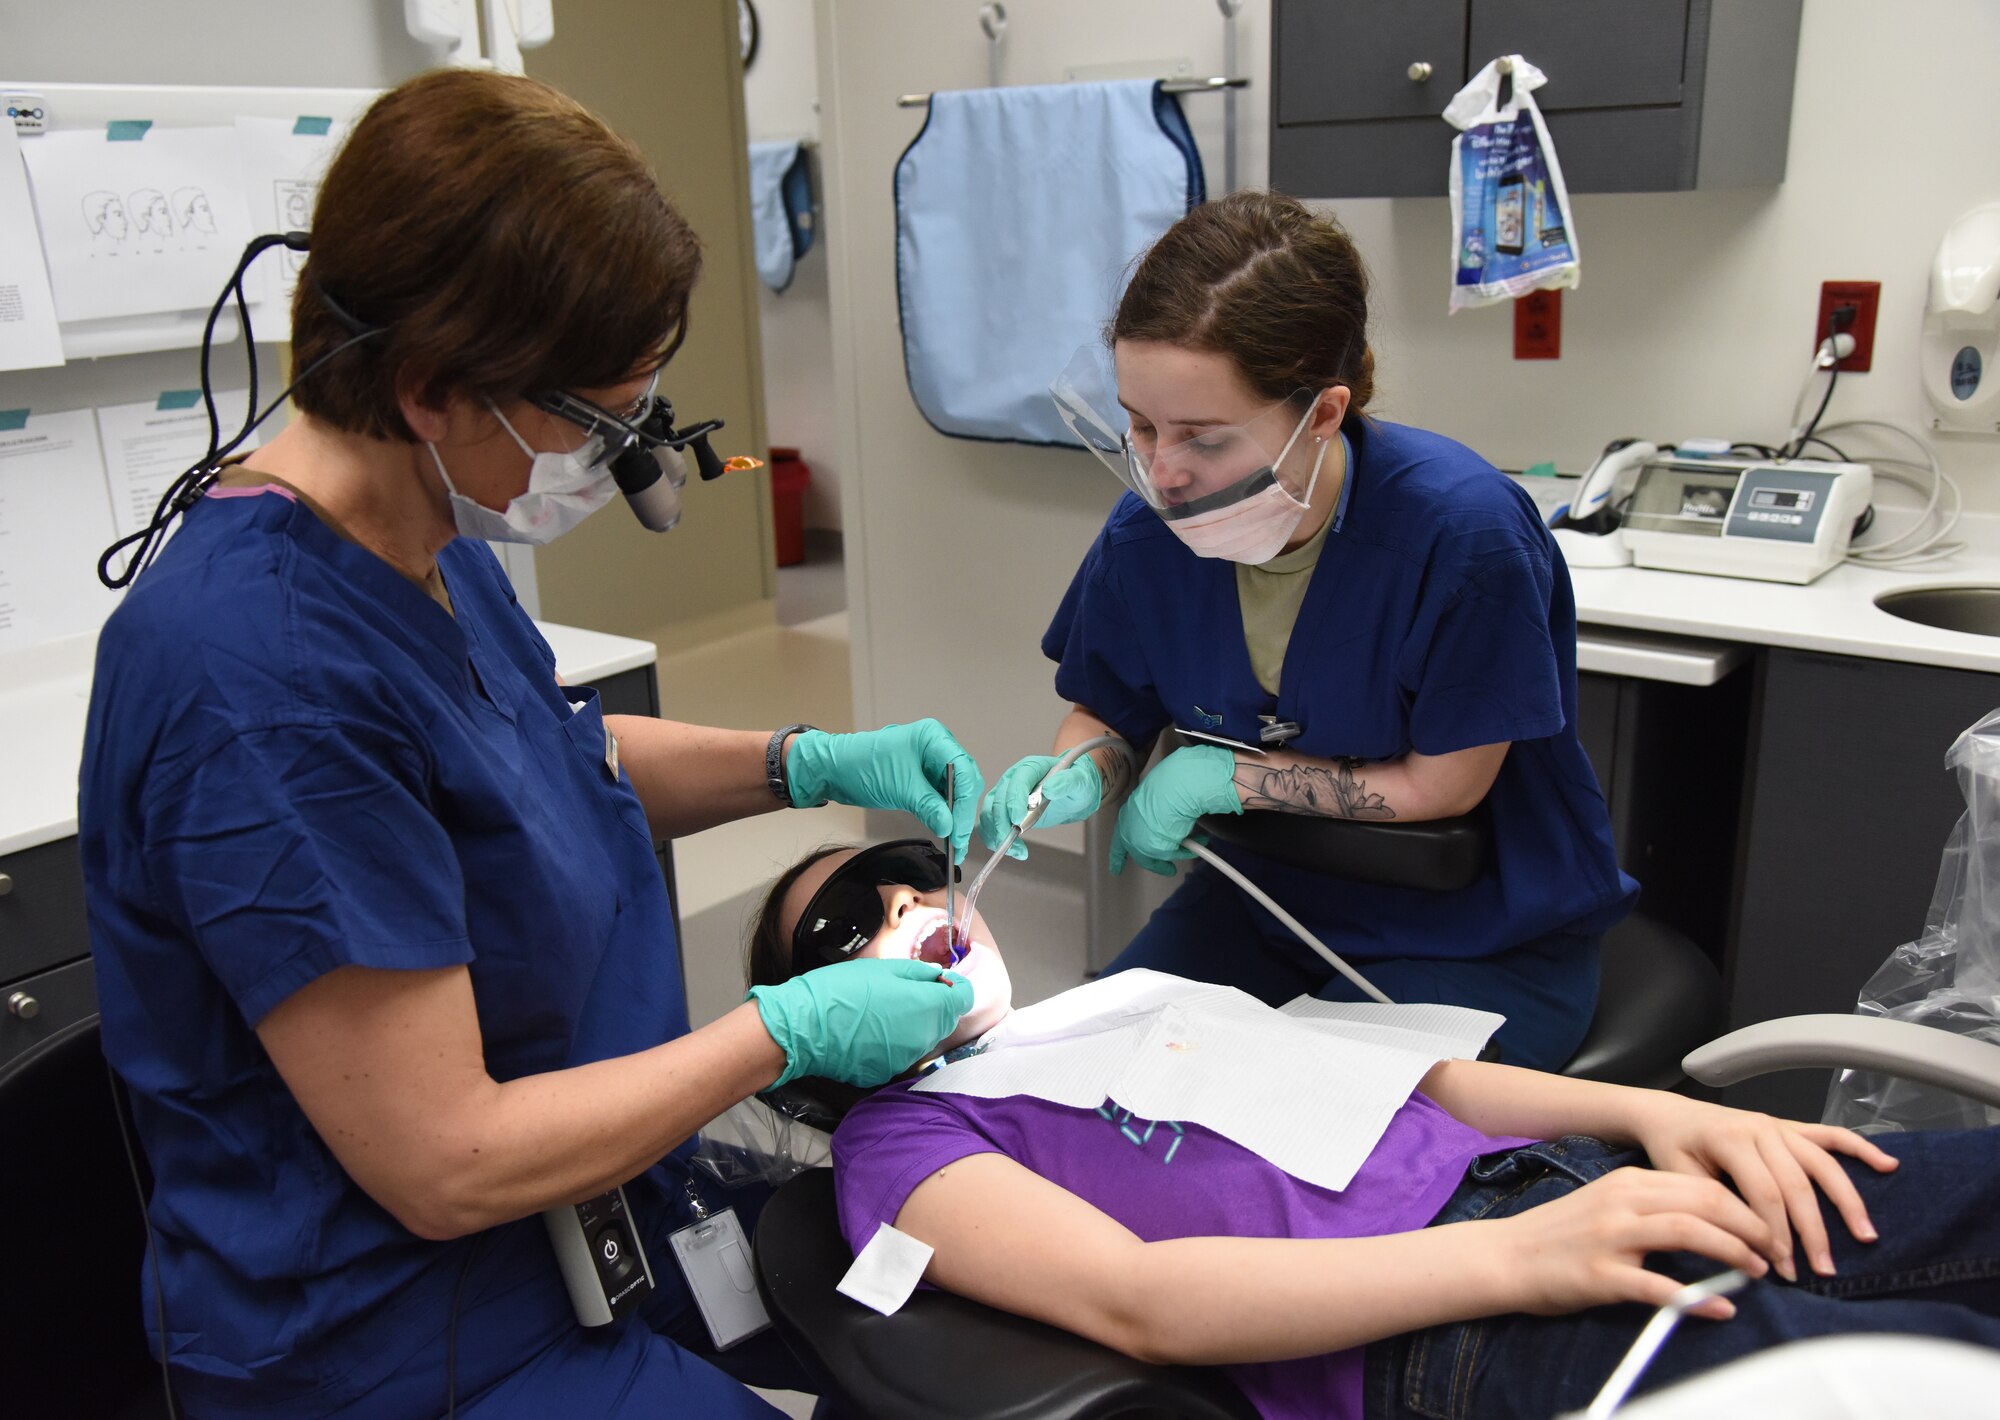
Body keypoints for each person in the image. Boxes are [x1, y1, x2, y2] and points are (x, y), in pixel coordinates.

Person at [77, 71, 984, 1420]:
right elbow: (447, 1161)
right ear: (435, 388)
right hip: (406, 1336)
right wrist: (781, 1034)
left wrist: (800, 761)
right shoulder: (259, 681)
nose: (623, 463)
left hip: (590, 1220)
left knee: (934, 1324)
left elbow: (548, 766)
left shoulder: (425, 543)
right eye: (600, 422)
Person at [749, 844, 2000, 1420]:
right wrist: (1521, 1257)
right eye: (852, 924)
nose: (910, 907)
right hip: (1445, 1323)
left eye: (911, 876)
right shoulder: (897, 1148)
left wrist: (1652, 1113)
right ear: (807, 1020)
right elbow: (1139, 1299)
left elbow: (1428, 1088)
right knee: (1934, 1372)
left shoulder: (1120, 999)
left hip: (1567, 1188)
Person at [980, 190, 1636, 1070]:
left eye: (1205, 439)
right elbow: (1109, 709)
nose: (1164, 472)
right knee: (1078, 1081)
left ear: (1323, 413)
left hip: (1479, 935)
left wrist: (1231, 777)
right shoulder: (1150, 535)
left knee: (1295, 1145)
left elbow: (1443, 787)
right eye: (1141, 425)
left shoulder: (1464, 537)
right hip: (1260, 905)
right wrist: (1079, 770)